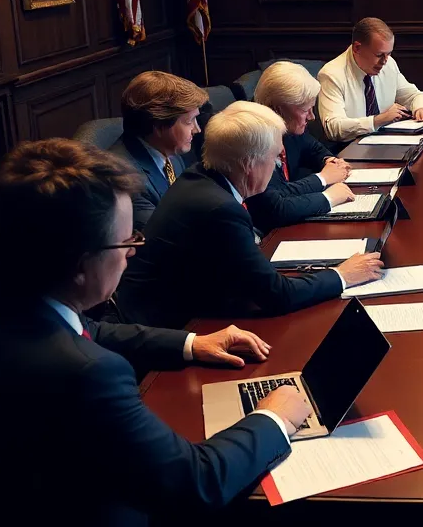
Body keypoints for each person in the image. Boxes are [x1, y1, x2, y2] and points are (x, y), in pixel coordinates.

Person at [0, 138, 314, 527]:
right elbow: (197, 482)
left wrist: (192, 343)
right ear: (80, 265)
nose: (131, 254)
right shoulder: (86, 374)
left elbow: (88, 330)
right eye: (125, 242)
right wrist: (274, 418)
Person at [115, 101, 382, 330]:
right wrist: (342, 275)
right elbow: (277, 296)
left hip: (192, 306)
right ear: (248, 164)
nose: (276, 165)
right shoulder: (219, 209)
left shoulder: (201, 175)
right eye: (274, 158)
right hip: (170, 328)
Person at [247, 61, 356, 230]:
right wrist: (326, 189)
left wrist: (330, 162)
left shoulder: (288, 128)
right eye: (306, 110)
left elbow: (313, 148)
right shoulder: (254, 139)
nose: (312, 117)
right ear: (278, 110)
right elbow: (274, 207)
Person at [109, 71, 208, 229]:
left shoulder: (170, 151)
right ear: (159, 126)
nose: (197, 129)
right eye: (189, 121)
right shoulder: (125, 180)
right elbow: (165, 234)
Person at [317, 17, 423, 142]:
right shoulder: (332, 75)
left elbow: (414, 96)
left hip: (386, 142)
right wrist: (377, 120)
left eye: (388, 54)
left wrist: (421, 108)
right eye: (379, 55)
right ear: (357, 48)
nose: (384, 61)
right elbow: (333, 128)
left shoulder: (389, 65)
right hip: (350, 146)